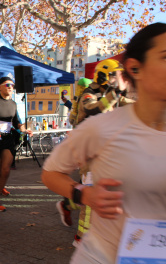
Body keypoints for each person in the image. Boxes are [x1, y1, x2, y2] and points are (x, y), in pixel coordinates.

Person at [42, 23, 166, 263]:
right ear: (135, 68)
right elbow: (90, 114)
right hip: (97, 256)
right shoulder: (100, 120)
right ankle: (74, 217)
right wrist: (84, 195)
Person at [56, 58, 134, 246]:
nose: (118, 80)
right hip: (89, 152)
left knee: (105, 190)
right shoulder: (89, 95)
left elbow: (134, 106)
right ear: (103, 76)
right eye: (115, 76)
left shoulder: (112, 95)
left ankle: (68, 203)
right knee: (92, 192)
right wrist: (114, 94)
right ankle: (82, 238)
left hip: (108, 151)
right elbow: (93, 110)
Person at [0, 77, 33, 212]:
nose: (11, 87)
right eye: (8, 85)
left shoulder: (14, 104)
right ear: (0, 87)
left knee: (5, 170)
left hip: (7, 138)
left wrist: (24, 129)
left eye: (13, 85)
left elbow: (17, 122)